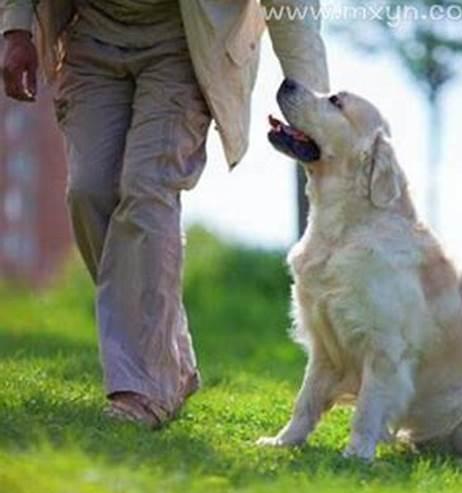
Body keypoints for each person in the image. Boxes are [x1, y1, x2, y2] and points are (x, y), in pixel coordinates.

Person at [0, 0, 329, 428]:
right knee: (89, 192)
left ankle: (145, 389)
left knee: (147, 189)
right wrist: (15, 29)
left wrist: (311, 98)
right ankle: (169, 355)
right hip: (91, 34)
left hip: (185, 43)